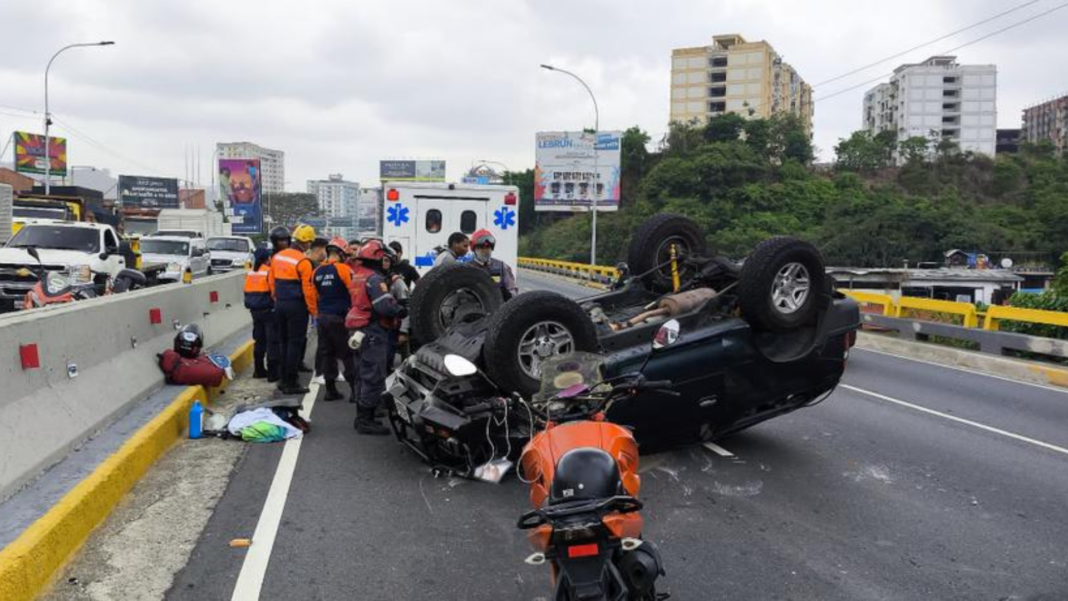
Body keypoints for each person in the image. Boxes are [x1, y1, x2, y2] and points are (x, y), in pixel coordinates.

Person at [346, 240, 406, 435]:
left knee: (362, 373)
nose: (385, 261)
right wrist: (402, 310)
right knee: (373, 374)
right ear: (378, 257)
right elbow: (384, 306)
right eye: (384, 258)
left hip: (358, 329)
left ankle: (361, 415)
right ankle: (365, 419)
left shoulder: (358, 275)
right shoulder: (374, 279)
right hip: (372, 331)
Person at [268, 224, 318, 395]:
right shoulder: (304, 261)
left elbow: (271, 281)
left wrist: (277, 299)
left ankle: (283, 380)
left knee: (283, 342)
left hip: (280, 304)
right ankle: (291, 382)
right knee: (294, 344)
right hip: (296, 306)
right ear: (307, 242)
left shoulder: (278, 257)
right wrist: (314, 312)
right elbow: (308, 290)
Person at [313, 237, 357, 402]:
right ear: (341, 253)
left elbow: (314, 296)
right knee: (348, 354)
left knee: (327, 353)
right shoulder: (344, 270)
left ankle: (330, 391)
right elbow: (354, 292)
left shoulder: (316, 272)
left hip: (322, 318)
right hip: (339, 318)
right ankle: (355, 391)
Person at [243, 247, 275, 378]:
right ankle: (273, 372)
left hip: (254, 311)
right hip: (268, 310)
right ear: (267, 258)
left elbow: (246, 291)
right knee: (271, 341)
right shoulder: (269, 272)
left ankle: (259, 370)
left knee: (259, 340)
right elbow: (274, 292)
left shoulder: (250, 273)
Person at [470, 229, 518, 300]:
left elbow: (513, 291)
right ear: (474, 249)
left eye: (488, 247)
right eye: (482, 247)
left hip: (498, 307)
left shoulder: (502, 266)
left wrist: (507, 295)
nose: (485, 251)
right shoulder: (467, 268)